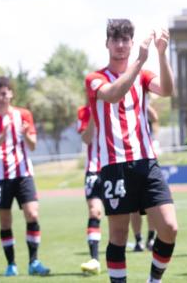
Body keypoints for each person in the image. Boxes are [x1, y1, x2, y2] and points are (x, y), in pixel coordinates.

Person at [85, 19, 177, 283]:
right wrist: (139, 61)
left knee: (169, 228)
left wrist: (161, 54)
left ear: (131, 42)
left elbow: (168, 90)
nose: (122, 45)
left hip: (146, 162)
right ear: (107, 44)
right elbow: (113, 94)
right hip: (114, 165)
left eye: (126, 39)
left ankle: (154, 280)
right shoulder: (95, 79)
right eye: (116, 39)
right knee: (118, 235)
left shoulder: (144, 76)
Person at [0, 76, 51, 277]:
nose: (1, 97)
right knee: (5, 222)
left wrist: (26, 134)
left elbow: (33, 145)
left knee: (33, 214)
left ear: (11, 93)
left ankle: (34, 262)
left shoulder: (24, 115)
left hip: (24, 174)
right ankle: (11, 264)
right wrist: (1, 136)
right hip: (0, 177)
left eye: (4, 93)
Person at [77, 104, 103, 275]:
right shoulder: (84, 111)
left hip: (117, 166)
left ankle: (118, 260)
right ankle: (94, 260)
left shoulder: (118, 105)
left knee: (121, 216)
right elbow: (86, 139)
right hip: (94, 169)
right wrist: (94, 114)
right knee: (94, 212)